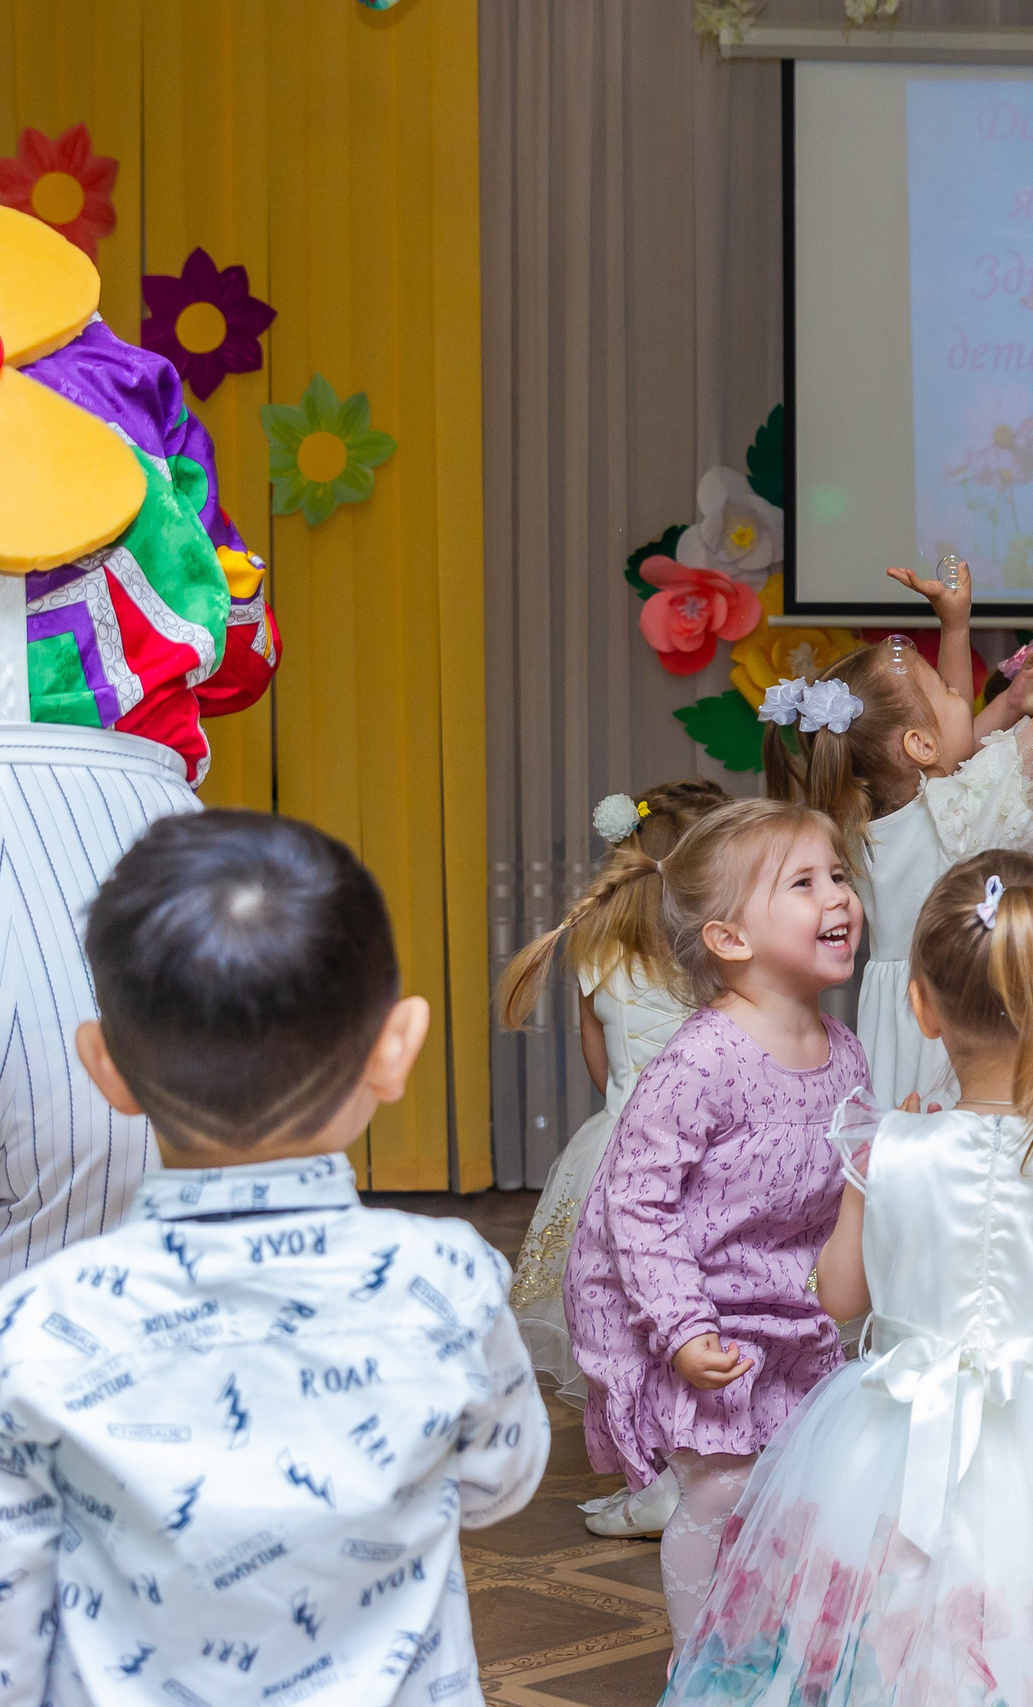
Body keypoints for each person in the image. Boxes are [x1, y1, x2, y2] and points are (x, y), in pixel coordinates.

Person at [0, 810, 545, 1704]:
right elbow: (499, 1481)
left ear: (105, 1067)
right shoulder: (448, 1279)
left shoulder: (38, 1321)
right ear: (395, 1049)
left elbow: (12, 1616)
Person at [664, 851, 1033, 1706]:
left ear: (921, 1006)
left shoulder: (885, 1145)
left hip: (887, 1435)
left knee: (881, 1628)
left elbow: (838, 1296)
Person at [1, 205, 280, 1282]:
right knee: (119, 1248)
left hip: (103, 821)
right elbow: (239, 657)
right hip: (105, 821)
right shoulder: (124, 379)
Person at [564, 798, 869, 1647]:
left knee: (793, 1488)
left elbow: (840, 1187)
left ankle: (767, 1652)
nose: (838, 896)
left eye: (839, 874)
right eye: (803, 883)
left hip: (787, 1310)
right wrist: (683, 1326)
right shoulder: (702, 1058)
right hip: (700, 1316)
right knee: (720, 1490)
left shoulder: (845, 1051)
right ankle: (700, 1669)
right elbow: (636, 1201)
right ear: (730, 938)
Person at [766, 507, 1033, 1109]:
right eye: (946, 689)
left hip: (902, 1020)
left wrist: (955, 631)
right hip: (973, 1019)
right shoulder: (963, 810)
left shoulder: (862, 818)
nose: (961, 693)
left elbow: (950, 756)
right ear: (919, 746)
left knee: (915, 1158)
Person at [496, 778, 729, 1539]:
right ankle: (711, 1467)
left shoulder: (598, 953)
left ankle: (651, 1477)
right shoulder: (721, 957)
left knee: (621, 1324)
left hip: (620, 1150)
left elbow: (603, 1071)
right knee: (703, 1318)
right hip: (711, 1160)